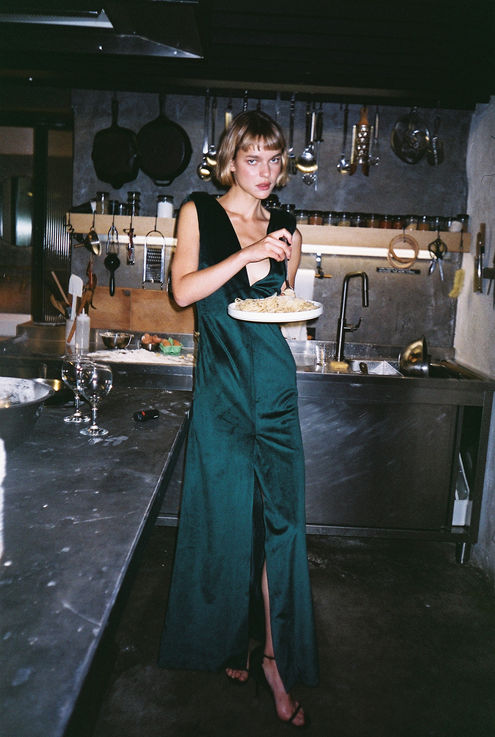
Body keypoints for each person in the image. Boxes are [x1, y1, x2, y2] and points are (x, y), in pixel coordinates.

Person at [159, 109, 318, 728]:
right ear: (230, 161)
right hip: (222, 388)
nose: (266, 172)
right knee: (224, 519)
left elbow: (282, 305)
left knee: (284, 523)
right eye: (253, 159)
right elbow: (183, 291)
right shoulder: (198, 211)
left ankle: (275, 657)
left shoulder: (286, 226)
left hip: (274, 387)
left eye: (275, 160)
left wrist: (282, 272)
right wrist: (247, 254)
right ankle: (229, 640)